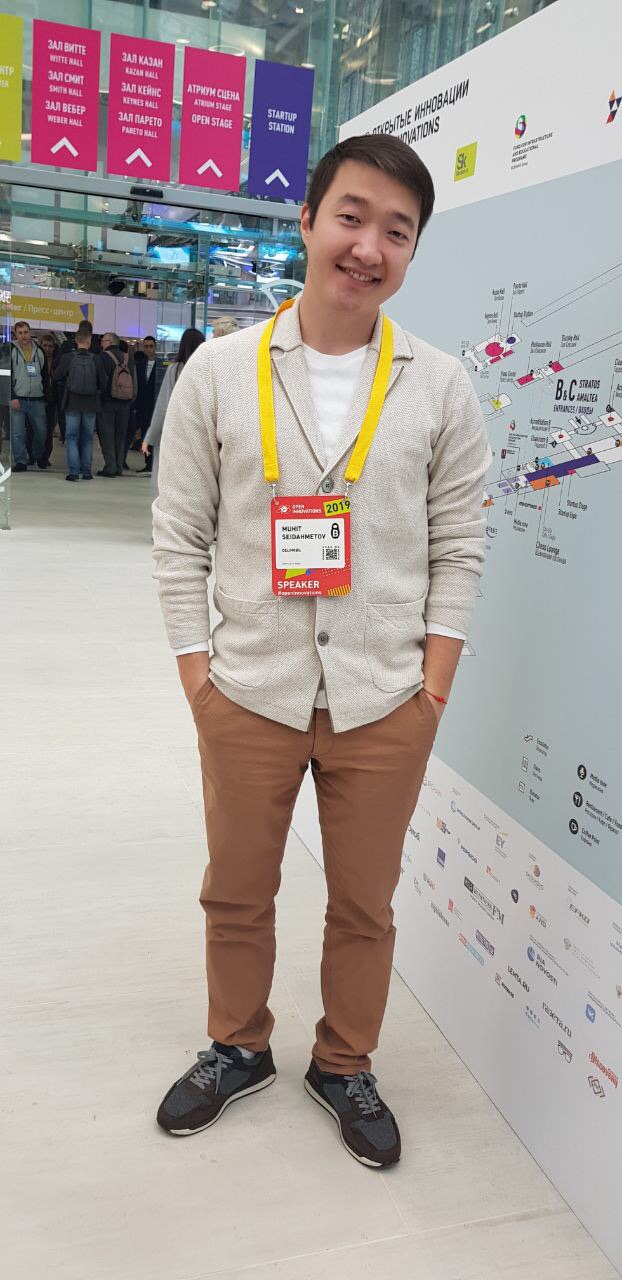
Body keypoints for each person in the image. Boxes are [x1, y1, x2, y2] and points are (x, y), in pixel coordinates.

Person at [152, 135, 491, 1168]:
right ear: (306, 221)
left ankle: (344, 1060)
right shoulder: (221, 371)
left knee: (364, 903)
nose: (368, 246)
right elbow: (180, 532)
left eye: (397, 230)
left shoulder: (440, 385)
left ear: (412, 251)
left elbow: (458, 544)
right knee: (235, 887)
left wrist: (433, 685)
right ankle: (237, 1044)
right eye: (351, 216)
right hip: (248, 689)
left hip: (384, 695)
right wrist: (199, 676)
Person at [141, 328, 204, 494]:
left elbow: (163, 405)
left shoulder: (175, 370)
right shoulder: (205, 370)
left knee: (169, 481)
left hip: (175, 431)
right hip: (198, 434)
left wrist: (149, 437)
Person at [53, 320, 107, 481]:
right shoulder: (96, 359)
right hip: (91, 404)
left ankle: (73, 472)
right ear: (89, 340)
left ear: (76, 340)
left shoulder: (67, 358)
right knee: (87, 438)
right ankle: (87, 472)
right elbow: (103, 383)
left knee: (71, 437)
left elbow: (56, 376)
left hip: (72, 402)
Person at [10, 320, 49, 471]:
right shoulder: (10, 350)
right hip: (18, 398)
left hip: (37, 399)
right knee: (18, 433)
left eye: (26, 332)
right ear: (15, 334)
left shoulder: (39, 350)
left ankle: (36, 455)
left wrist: (46, 396)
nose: (24, 336)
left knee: (42, 431)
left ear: (30, 332)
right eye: (20, 333)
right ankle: (20, 461)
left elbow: (45, 375)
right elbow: (5, 376)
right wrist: (12, 396)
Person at [97, 332, 137, 477]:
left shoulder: (102, 357)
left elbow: (100, 381)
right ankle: (119, 466)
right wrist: (130, 400)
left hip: (107, 403)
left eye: (103, 341)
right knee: (121, 436)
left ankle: (110, 467)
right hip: (125, 404)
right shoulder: (128, 358)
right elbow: (135, 383)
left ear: (109, 342)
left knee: (107, 435)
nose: (101, 343)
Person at [131, 335, 160, 473]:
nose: (148, 349)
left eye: (151, 346)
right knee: (142, 433)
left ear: (155, 347)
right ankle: (147, 462)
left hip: (154, 405)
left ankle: (151, 464)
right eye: (146, 346)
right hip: (141, 405)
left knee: (151, 435)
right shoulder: (139, 365)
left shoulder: (160, 365)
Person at [39, 333, 58, 468]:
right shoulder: (36, 359)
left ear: (54, 347)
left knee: (49, 430)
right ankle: (34, 455)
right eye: (45, 345)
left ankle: (45, 457)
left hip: (52, 401)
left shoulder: (58, 362)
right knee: (34, 429)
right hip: (38, 399)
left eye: (50, 346)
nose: (47, 348)